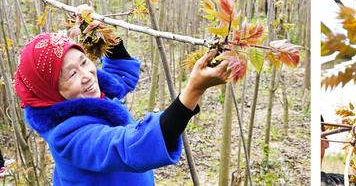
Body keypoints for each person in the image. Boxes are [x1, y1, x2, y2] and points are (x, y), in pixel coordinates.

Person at [14, 32, 229, 185]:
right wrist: (193, 91)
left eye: (84, 61)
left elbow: (120, 77)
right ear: (50, 91)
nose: (88, 75)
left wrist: (105, 36)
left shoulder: (88, 94)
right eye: (72, 74)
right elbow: (130, 147)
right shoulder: (68, 136)